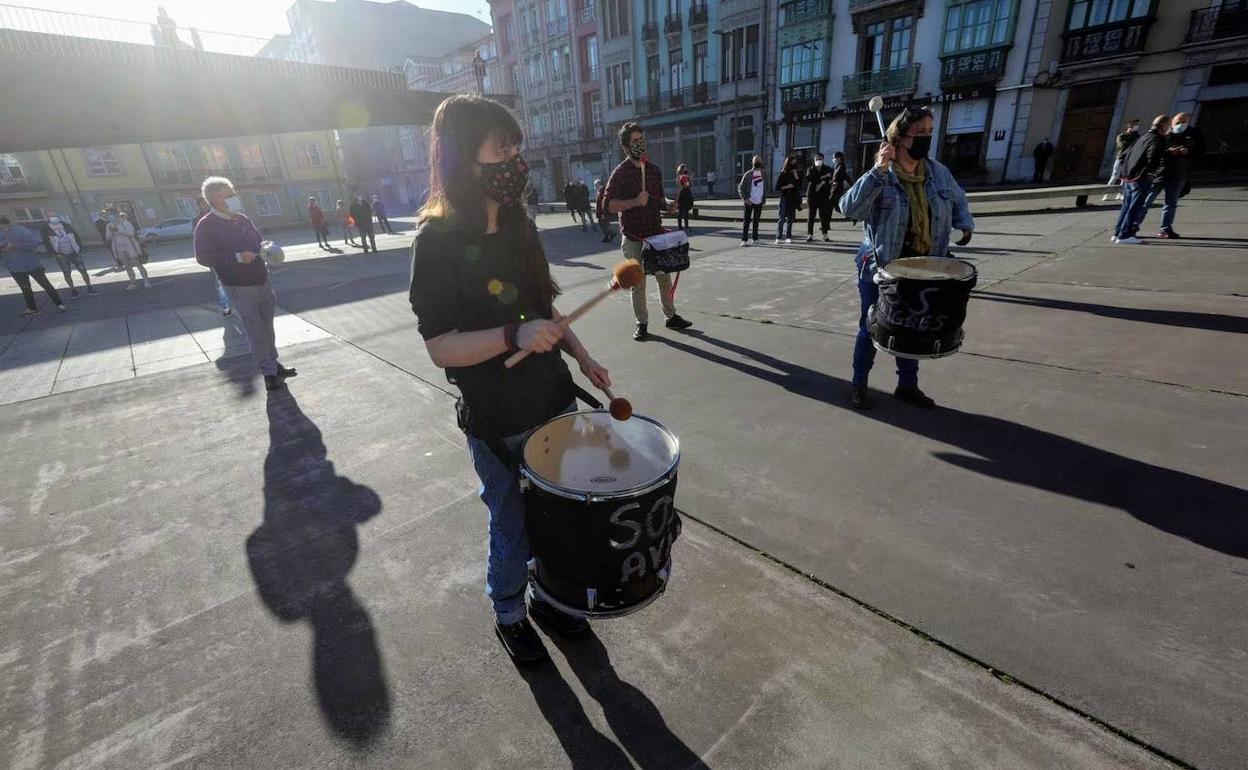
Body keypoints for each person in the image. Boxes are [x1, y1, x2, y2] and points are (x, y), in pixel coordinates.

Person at [408, 95, 611, 666]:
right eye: (502, 149)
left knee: (560, 520)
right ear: (462, 159)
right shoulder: (437, 241)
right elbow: (438, 345)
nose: (515, 160)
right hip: (497, 417)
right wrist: (510, 337)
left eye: (517, 148)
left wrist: (583, 356)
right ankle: (508, 612)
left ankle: (548, 600)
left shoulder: (523, 225)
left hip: (552, 400)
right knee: (511, 522)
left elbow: (546, 311)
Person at [840, 106, 974, 410]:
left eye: (930, 132)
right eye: (920, 133)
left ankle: (907, 386)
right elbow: (848, 208)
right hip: (880, 268)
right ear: (899, 138)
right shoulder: (882, 175)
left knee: (914, 328)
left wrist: (964, 223)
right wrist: (877, 171)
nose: (927, 139)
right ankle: (859, 384)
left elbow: (958, 198)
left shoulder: (937, 172)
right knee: (871, 324)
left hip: (924, 268)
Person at [194, 176, 296, 391]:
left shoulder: (242, 219)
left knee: (267, 327)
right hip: (239, 287)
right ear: (217, 199)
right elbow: (204, 257)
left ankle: (273, 364)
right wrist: (238, 257)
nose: (235, 198)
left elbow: (258, 242)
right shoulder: (206, 225)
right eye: (230, 194)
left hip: (262, 280)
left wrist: (268, 250)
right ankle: (268, 372)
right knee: (254, 329)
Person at [604, 121, 694, 341]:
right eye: (635, 141)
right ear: (626, 146)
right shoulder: (620, 173)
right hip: (634, 237)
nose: (640, 144)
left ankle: (670, 316)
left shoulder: (653, 171)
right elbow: (607, 205)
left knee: (664, 278)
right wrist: (634, 201)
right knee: (638, 284)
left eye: (642, 140)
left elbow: (658, 200)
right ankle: (642, 323)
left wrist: (669, 205)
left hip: (655, 235)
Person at [1138, 112, 1200, 239]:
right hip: (1160, 175)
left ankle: (1165, 229)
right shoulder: (1164, 137)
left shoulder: (1189, 139)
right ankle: (1133, 226)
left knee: (1170, 204)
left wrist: (1187, 151)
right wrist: (1169, 152)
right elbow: (1155, 152)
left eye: (1184, 123)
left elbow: (1196, 153)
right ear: (1172, 124)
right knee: (1145, 203)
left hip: (1177, 176)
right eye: (1178, 122)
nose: (1181, 125)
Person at [1112, 114, 1170, 245]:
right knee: (1135, 207)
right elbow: (1153, 156)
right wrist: (1151, 172)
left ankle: (1117, 233)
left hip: (1129, 176)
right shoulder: (1157, 139)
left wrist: (1125, 172)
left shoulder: (1143, 137)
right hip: (1141, 177)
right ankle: (1125, 235)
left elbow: (1125, 155)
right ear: (1164, 127)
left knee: (1126, 206)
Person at [0, 215, 66, 316]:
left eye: (4, 226)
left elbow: (33, 244)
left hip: (31, 264)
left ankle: (59, 303)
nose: (3, 229)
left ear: (7, 223)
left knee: (46, 285)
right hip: (14, 266)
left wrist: (15, 246)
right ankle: (33, 308)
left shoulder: (21, 230)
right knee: (25, 288)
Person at [193, 196, 230, 315]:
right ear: (198, 206)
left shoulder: (218, 215)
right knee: (218, 281)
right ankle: (226, 306)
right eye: (201, 204)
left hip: (224, 251)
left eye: (205, 203)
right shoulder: (197, 220)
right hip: (211, 254)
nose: (204, 205)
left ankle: (232, 301)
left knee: (230, 277)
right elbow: (197, 239)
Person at [47, 217, 96, 297]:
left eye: (58, 223)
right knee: (66, 272)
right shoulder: (48, 231)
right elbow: (47, 243)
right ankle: (73, 290)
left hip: (74, 252)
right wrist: (54, 253)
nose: (56, 225)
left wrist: (79, 249)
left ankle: (89, 287)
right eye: (53, 224)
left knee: (83, 270)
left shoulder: (68, 228)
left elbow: (77, 238)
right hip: (61, 255)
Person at [107, 211, 150, 290]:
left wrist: (119, 228)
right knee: (127, 266)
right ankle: (133, 282)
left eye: (115, 216)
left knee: (137, 263)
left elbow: (131, 233)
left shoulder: (125, 223)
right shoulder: (109, 225)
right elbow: (108, 238)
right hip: (119, 247)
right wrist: (111, 231)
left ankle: (146, 280)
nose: (113, 218)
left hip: (129, 246)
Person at [1103, 119, 1140, 202]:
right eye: (1135, 125)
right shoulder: (1122, 136)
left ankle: (1120, 194)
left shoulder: (1136, 136)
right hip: (1121, 158)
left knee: (1125, 177)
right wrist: (1132, 140)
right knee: (1115, 176)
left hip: (1129, 159)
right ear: (1129, 127)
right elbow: (1122, 146)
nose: (1137, 127)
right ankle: (1106, 194)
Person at [804, 153, 835, 242]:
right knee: (811, 215)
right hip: (812, 195)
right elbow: (810, 179)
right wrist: (824, 177)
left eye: (820, 159)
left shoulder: (827, 168)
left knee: (823, 215)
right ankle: (810, 234)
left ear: (823, 159)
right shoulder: (810, 169)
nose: (818, 160)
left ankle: (824, 234)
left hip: (823, 195)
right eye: (816, 159)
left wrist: (821, 183)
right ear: (814, 160)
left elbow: (830, 179)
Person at [738, 155, 766, 246]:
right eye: (756, 161)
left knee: (756, 220)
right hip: (749, 201)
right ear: (752, 163)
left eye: (759, 160)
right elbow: (741, 187)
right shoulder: (748, 174)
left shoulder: (764, 174)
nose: (758, 162)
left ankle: (755, 238)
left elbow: (765, 186)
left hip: (759, 201)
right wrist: (745, 198)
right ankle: (744, 240)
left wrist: (763, 198)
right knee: (746, 221)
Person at [774, 155, 802, 244]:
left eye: (795, 162)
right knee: (782, 218)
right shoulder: (783, 174)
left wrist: (796, 175)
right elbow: (777, 187)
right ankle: (778, 237)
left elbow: (799, 185)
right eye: (792, 162)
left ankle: (788, 236)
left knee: (790, 219)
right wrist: (787, 186)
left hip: (792, 198)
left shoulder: (796, 173)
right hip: (784, 198)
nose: (794, 164)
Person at [831, 151, 853, 221]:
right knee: (835, 206)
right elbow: (846, 177)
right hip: (835, 189)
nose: (833, 159)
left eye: (834, 157)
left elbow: (845, 176)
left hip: (837, 189)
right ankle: (825, 225)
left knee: (831, 206)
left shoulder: (841, 167)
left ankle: (850, 215)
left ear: (838, 158)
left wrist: (852, 185)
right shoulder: (838, 167)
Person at [593, 178, 616, 242]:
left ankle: (611, 233)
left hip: (603, 213)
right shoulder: (602, 191)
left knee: (602, 225)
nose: (595, 187)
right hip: (603, 212)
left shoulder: (602, 191)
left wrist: (603, 213)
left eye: (595, 185)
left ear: (598, 185)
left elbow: (603, 203)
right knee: (605, 225)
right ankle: (607, 237)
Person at [675, 163, 694, 232]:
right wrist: (690, 179)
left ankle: (681, 226)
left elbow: (679, 187)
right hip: (685, 195)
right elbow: (686, 186)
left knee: (682, 211)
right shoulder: (683, 177)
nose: (687, 170)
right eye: (685, 168)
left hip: (682, 195)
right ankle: (685, 226)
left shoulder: (678, 177)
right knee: (684, 211)